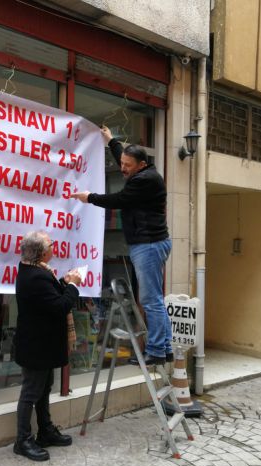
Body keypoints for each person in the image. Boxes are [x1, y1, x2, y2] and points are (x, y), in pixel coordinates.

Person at [71, 126, 173, 367]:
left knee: (151, 301)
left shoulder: (144, 181)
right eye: (123, 163)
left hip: (148, 246)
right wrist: (111, 141)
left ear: (141, 165)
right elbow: (123, 159)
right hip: (150, 244)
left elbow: (119, 200)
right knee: (154, 300)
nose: (123, 168)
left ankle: (156, 351)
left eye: (128, 165)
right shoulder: (142, 172)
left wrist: (90, 197)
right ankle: (165, 348)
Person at [13, 230, 82, 461]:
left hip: (42, 345)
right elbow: (59, 307)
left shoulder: (37, 271)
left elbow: (49, 298)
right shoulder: (35, 276)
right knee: (31, 392)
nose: (54, 248)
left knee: (44, 389)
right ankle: (22, 440)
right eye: (51, 245)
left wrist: (63, 282)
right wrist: (73, 287)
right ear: (42, 253)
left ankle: (45, 431)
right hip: (36, 346)